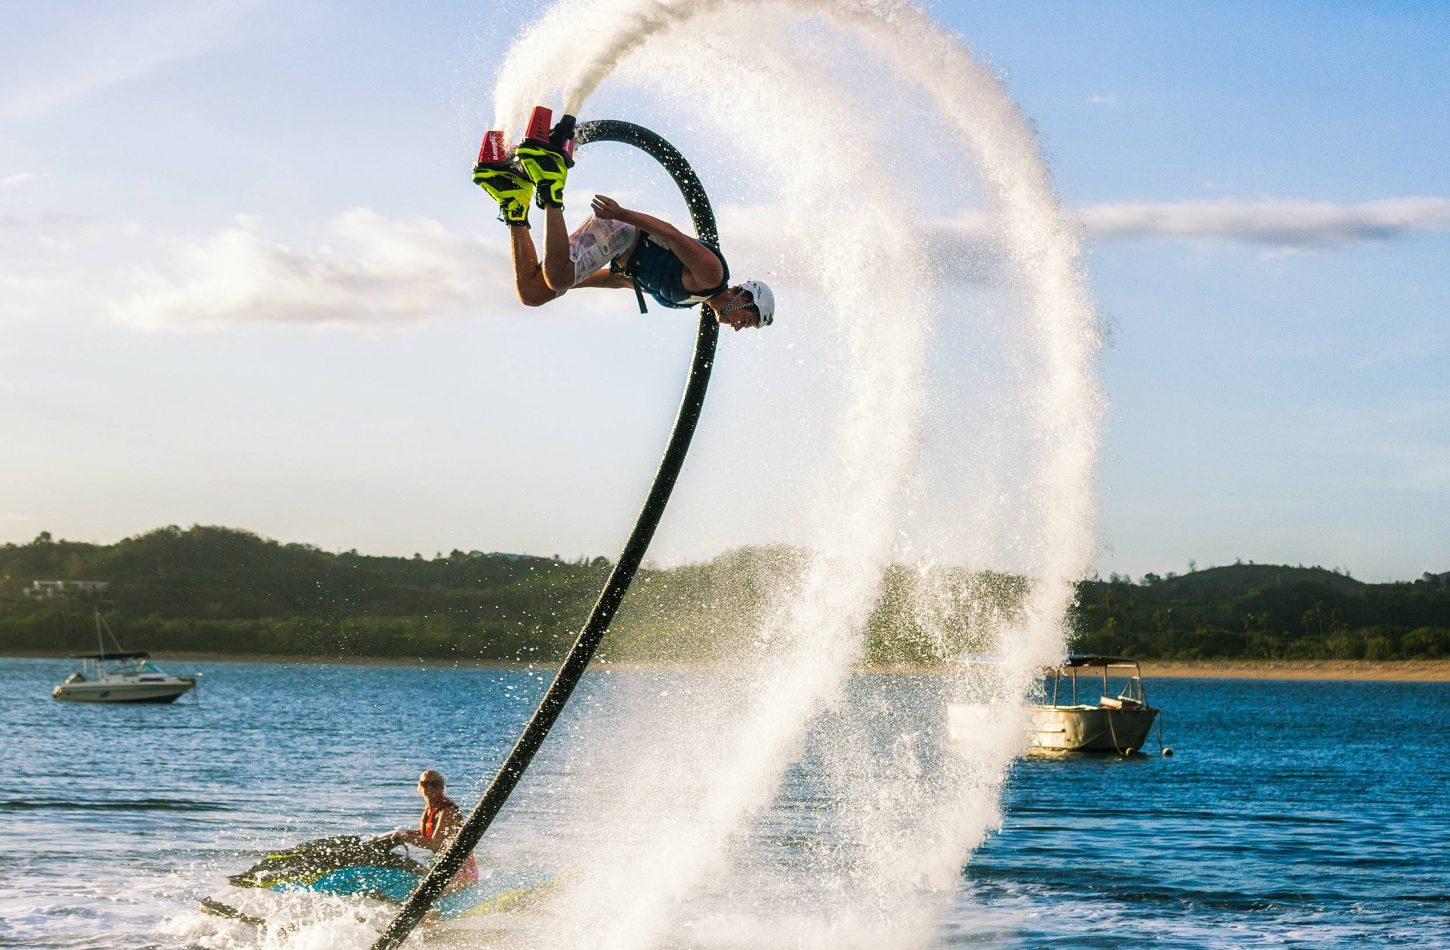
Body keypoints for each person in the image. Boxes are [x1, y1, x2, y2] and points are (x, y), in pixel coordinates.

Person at [472, 111, 775, 331]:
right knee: (558, 277)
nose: (737, 327)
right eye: (746, 321)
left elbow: (620, 281)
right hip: (621, 229)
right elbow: (670, 235)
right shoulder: (712, 274)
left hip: (617, 248)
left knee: (534, 293)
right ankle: (551, 183)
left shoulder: (689, 300)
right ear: (744, 298)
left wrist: (565, 284)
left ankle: (515, 201)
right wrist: (621, 214)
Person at [379, 770, 479, 891]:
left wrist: (407, 838)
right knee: (415, 889)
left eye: (435, 784)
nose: (430, 788)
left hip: (460, 870)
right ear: (419, 788)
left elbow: (434, 843)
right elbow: (425, 833)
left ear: (442, 788)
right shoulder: (429, 808)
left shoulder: (446, 810)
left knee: (421, 894)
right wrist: (405, 832)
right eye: (425, 784)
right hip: (447, 866)